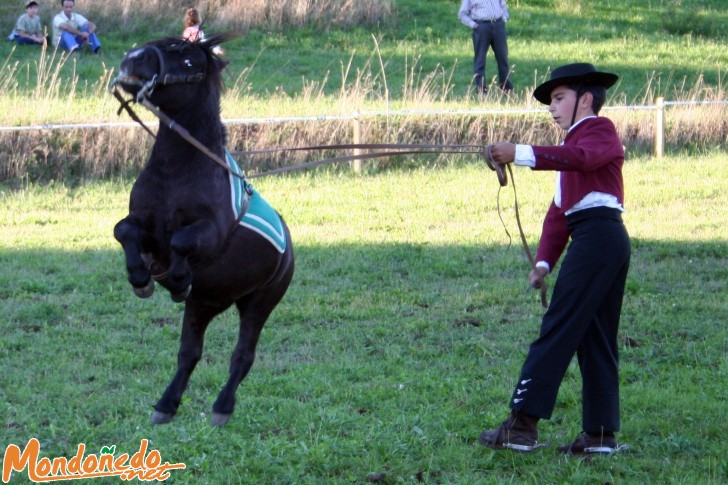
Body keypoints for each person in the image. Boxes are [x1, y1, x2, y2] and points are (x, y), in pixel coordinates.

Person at [480, 63, 631, 455]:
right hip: (599, 240)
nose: (552, 107)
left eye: (559, 98)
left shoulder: (598, 131)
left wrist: (520, 153)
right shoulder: (570, 149)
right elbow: (559, 211)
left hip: (599, 237)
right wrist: (544, 262)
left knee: (559, 326)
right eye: (551, 101)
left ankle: (521, 426)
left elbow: (580, 158)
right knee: (595, 335)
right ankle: (600, 436)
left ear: (585, 99)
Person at [458, 0, 513, 94]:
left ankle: (506, 88)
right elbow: (462, 14)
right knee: (480, 59)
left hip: (498, 25)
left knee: (503, 58)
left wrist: (504, 18)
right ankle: (481, 90)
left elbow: (504, 6)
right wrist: (474, 25)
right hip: (481, 26)